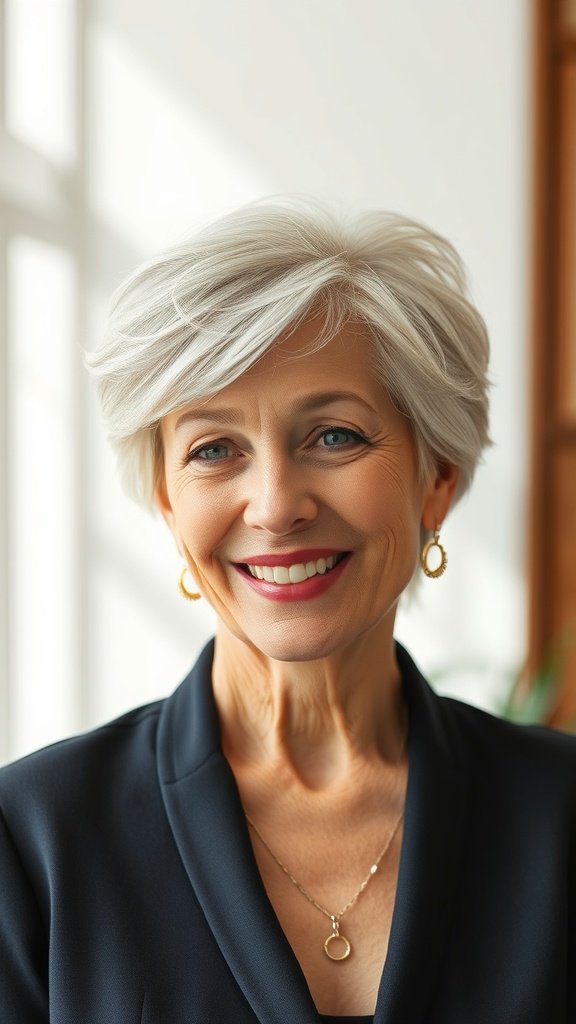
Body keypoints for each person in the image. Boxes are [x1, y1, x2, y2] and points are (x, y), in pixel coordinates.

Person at [0, 197, 574, 1024]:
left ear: (437, 477)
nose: (273, 506)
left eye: (334, 435)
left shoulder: (561, 817)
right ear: (167, 500)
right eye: (214, 450)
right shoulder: (32, 840)